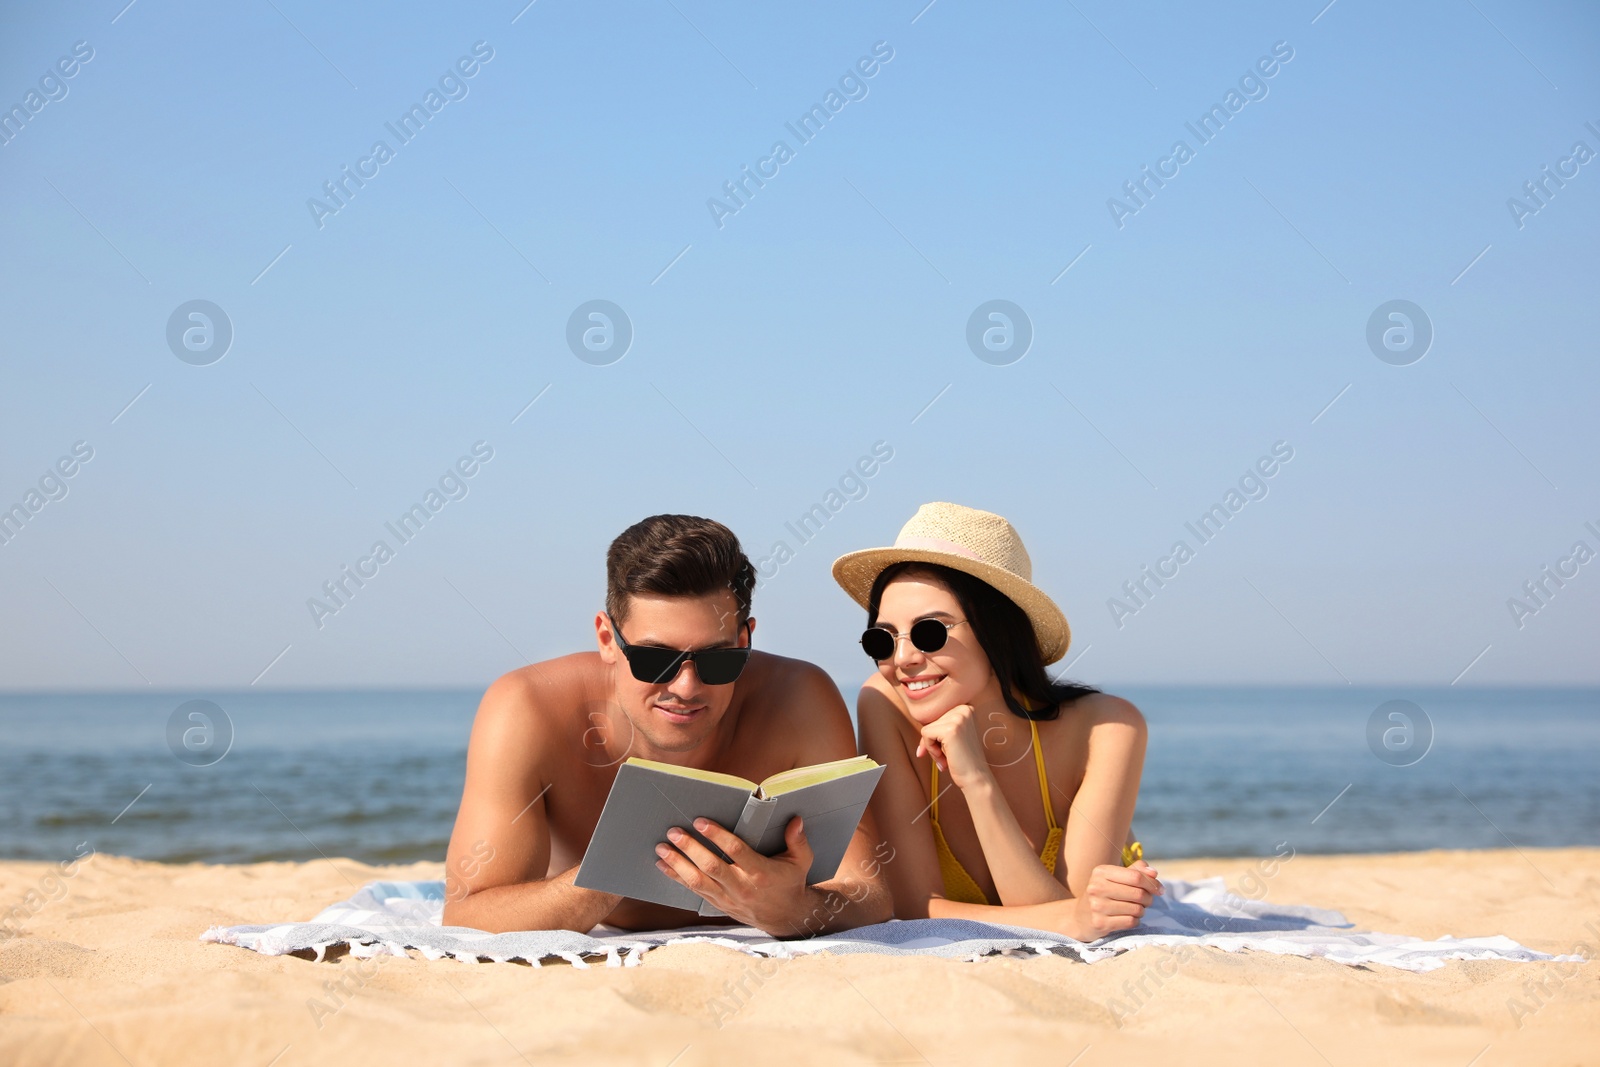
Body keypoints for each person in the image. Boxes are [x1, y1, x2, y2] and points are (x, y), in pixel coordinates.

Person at [442, 514, 890, 936]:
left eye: (718, 659)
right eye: (656, 659)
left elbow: (870, 895)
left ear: (745, 639)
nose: (687, 686)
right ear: (607, 639)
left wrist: (793, 912)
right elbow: (467, 914)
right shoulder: (528, 706)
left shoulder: (800, 699)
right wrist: (618, 869)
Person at [834, 502, 1160, 940]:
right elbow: (914, 905)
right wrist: (1072, 916)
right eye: (883, 638)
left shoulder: (1108, 729)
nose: (904, 659)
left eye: (931, 632)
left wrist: (977, 780)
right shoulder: (883, 702)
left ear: (997, 631)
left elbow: (1074, 927)